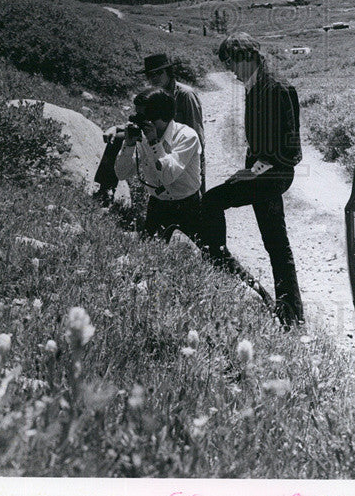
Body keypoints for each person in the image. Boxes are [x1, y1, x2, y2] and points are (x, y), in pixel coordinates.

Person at [198, 33, 304, 327]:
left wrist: (254, 170)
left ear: (247, 56)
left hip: (273, 175)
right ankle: (292, 314)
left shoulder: (278, 87)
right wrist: (252, 167)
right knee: (276, 242)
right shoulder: (254, 85)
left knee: (212, 201)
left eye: (231, 63)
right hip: (261, 173)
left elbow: (291, 149)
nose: (230, 70)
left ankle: (220, 267)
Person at [114, 87, 202, 241]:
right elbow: (122, 174)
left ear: (162, 117)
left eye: (144, 118)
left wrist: (154, 143)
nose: (140, 123)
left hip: (187, 206)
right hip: (157, 205)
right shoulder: (142, 135)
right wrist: (128, 146)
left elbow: (168, 176)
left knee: (209, 254)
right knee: (151, 255)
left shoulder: (186, 137)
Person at [143, 54, 206, 193]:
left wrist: (199, 167)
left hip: (186, 155)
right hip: (162, 156)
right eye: (150, 75)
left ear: (168, 72)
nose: (155, 78)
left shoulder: (185, 95)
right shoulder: (152, 97)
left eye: (159, 73)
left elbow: (197, 134)